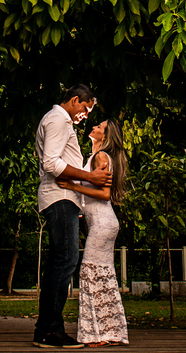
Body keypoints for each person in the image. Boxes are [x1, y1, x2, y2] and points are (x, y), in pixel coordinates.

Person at [34, 85, 112, 349]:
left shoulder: (59, 120)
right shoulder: (58, 119)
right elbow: (51, 163)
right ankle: (51, 331)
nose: (86, 116)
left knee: (60, 263)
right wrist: (90, 177)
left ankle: (44, 330)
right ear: (76, 100)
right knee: (65, 261)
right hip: (59, 198)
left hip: (64, 199)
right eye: (86, 108)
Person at [57, 118, 129, 347]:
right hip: (103, 223)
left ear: (105, 136)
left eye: (99, 127)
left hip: (102, 224)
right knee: (103, 276)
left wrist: (73, 187)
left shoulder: (101, 157)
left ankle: (98, 335)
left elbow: (105, 194)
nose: (94, 127)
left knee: (90, 274)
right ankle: (110, 333)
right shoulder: (97, 156)